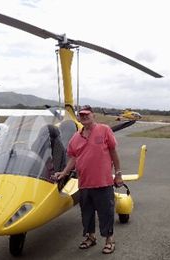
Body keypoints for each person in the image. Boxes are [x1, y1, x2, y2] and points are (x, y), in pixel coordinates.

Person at [52, 105, 123, 254]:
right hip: (84, 184)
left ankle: (110, 240)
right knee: (87, 213)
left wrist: (118, 173)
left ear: (93, 115)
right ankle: (91, 237)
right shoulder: (76, 137)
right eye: (81, 115)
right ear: (79, 118)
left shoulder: (104, 130)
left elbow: (113, 152)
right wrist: (64, 173)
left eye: (86, 114)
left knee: (106, 213)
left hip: (103, 183)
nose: (84, 117)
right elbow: (73, 158)